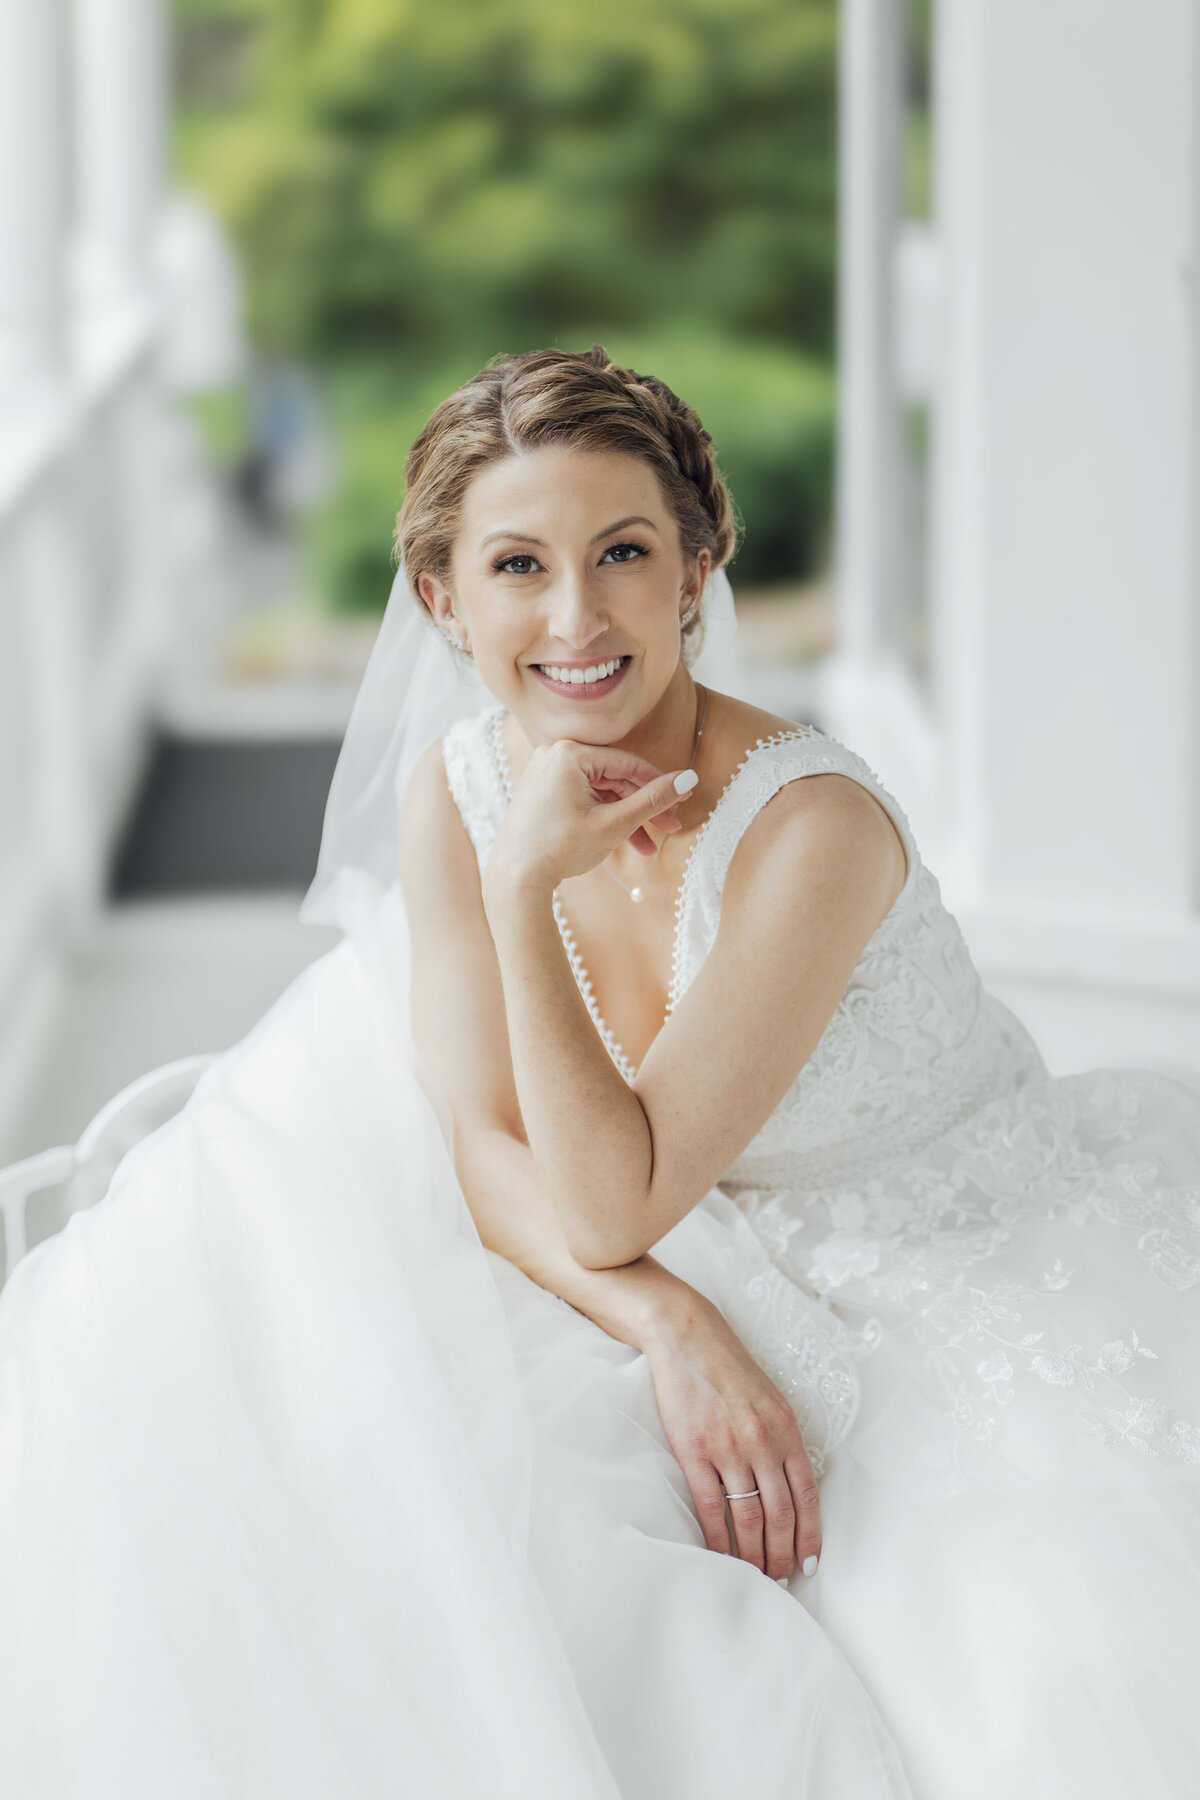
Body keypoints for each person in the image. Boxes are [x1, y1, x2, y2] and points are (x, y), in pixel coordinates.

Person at [1, 345, 1198, 1800]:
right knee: (276, 1441)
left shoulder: (806, 828)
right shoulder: (463, 788)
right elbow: (480, 1139)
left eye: (624, 552)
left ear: (700, 566)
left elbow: (608, 1193)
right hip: (676, 1241)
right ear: (443, 599)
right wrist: (673, 1325)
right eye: (517, 564)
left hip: (940, 1260)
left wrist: (523, 900)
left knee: (1011, 1666)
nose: (577, 618)